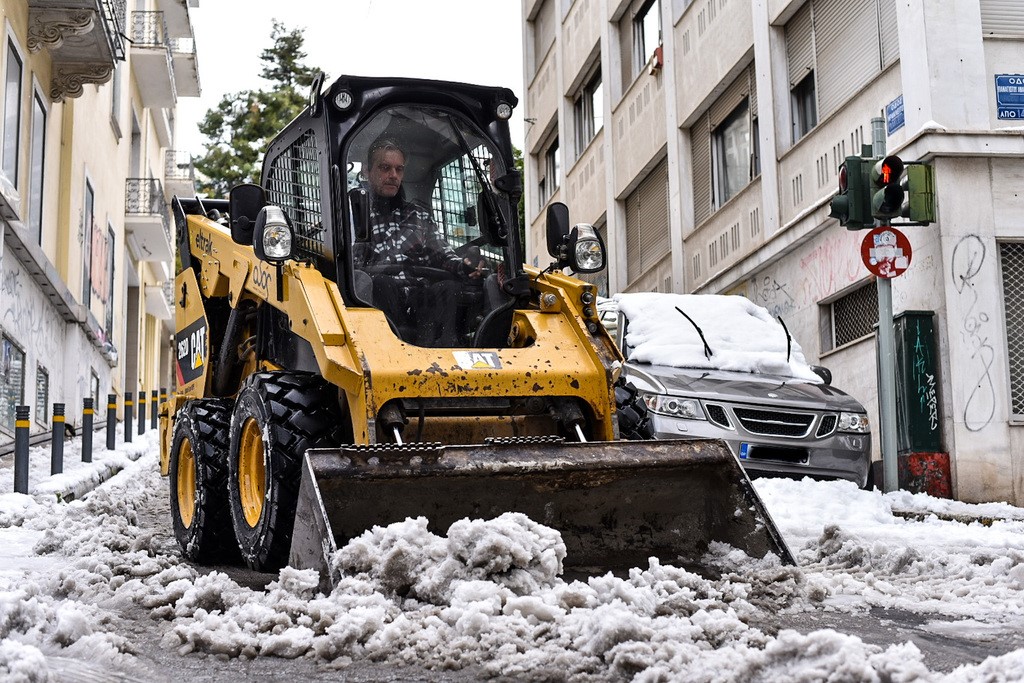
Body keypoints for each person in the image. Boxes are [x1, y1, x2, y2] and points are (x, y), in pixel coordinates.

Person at [359, 137, 486, 346]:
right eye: (385, 168)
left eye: (399, 170)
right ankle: (391, 347)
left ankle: (443, 352)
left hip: (420, 302)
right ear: (367, 171)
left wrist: (465, 266)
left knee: (448, 286)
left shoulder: (417, 215)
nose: (393, 175)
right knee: (381, 283)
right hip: (380, 305)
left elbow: (443, 253)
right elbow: (351, 267)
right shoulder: (353, 213)